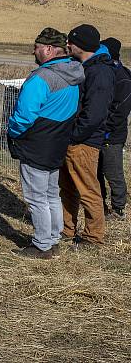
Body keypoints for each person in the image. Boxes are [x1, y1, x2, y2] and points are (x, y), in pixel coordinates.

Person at [7, 28, 84, 259]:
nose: (34, 50)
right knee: (51, 194)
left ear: (49, 49)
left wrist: (12, 131)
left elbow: (24, 117)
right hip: (57, 144)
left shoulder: (41, 78)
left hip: (36, 145)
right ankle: (53, 239)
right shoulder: (73, 75)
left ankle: (42, 245)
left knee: (36, 198)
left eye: (37, 46)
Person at [60, 24, 114, 248]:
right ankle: (66, 229)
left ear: (80, 45)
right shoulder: (84, 67)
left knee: (87, 190)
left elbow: (95, 114)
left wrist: (74, 135)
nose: (67, 45)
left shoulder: (100, 72)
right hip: (73, 139)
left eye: (71, 42)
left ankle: (93, 237)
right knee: (68, 188)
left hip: (84, 142)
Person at [98, 37, 130, 220]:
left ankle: (118, 209)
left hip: (113, 135)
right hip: (97, 132)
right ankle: (99, 205)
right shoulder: (104, 72)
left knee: (113, 172)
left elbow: (121, 110)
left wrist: (106, 129)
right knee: (95, 172)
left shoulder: (123, 78)